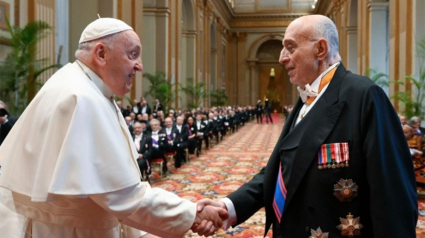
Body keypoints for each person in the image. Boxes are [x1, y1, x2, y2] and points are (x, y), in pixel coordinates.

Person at [0, 18, 227, 238]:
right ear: (100, 54)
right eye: (133, 54)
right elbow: (121, 196)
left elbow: (109, 191)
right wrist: (191, 215)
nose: (139, 66)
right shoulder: (83, 98)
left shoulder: (83, 86)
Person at [196, 15, 417, 237]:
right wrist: (228, 206)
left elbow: (392, 195)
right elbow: (285, 170)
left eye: (290, 48)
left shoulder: (364, 97)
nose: (282, 58)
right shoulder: (306, 99)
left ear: (320, 49)